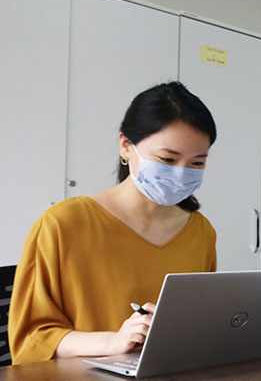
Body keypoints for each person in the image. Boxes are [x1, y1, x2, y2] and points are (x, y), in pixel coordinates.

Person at [8, 82, 218, 364]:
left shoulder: (200, 232)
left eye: (197, 163)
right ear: (126, 146)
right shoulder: (63, 224)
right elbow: (32, 338)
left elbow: (198, 325)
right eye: (167, 159)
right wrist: (114, 341)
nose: (181, 174)